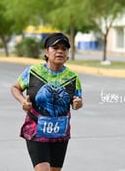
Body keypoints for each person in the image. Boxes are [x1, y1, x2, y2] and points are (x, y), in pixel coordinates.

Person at [11, 32, 83, 171]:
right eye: (55, 48)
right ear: (47, 51)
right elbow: (15, 88)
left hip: (60, 132)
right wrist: (22, 101)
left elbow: (77, 101)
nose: (60, 51)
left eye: (64, 48)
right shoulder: (33, 71)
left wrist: (78, 103)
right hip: (36, 130)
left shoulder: (73, 77)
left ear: (67, 54)